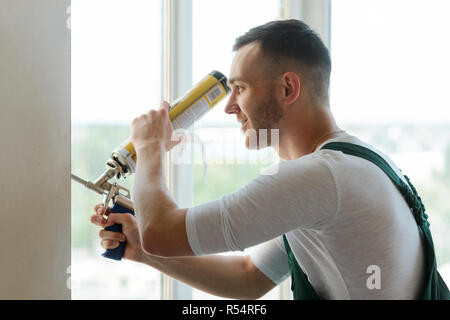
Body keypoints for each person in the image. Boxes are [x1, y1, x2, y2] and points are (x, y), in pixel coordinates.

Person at [90, 19, 426, 299]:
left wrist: (149, 147)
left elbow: (160, 231)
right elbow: (249, 278)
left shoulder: (320, 177)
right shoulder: (353, 164)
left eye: (241, 88)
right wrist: (143, 250)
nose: (229, 106)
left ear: (287, 89)